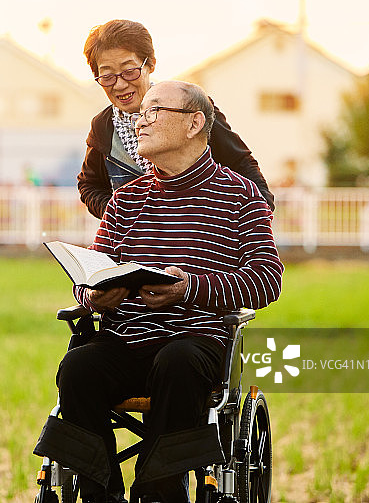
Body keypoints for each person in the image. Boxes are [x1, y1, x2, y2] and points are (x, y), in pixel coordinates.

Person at [54, 81, 283, 502]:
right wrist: (94, 296)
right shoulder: (124, 201)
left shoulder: (239, 195)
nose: (141, 119)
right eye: (142, 112)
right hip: (128, 340)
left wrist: (188, 288)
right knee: (78, 369)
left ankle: (160, 494)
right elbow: (94, 273)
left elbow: (268, 279)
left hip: (194, 344)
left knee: (177, 361)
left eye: (155, 110)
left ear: (195, 123)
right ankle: (100, 495)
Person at [78, 19, 274, 219]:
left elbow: (239, 162)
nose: (119, 85)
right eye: (108, 76)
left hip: (199, 233)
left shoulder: (189, 107)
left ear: (150, 64)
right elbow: (89, 185)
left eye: (129, 71)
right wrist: (118, 216)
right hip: (137, 247)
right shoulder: (103, 126)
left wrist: (261, 209)